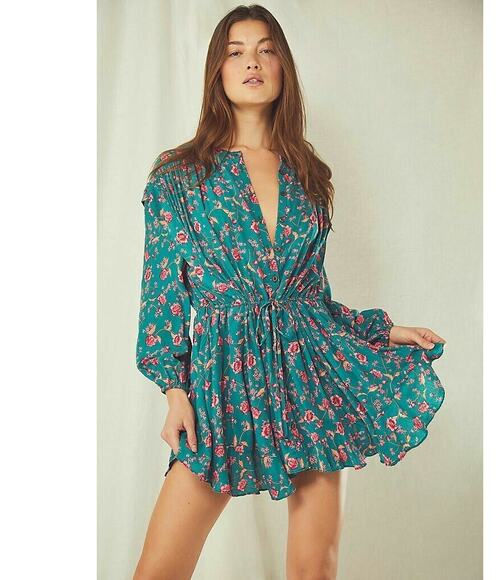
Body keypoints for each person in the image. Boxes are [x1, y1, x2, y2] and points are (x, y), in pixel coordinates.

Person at [133, 5, 446, 579]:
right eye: (236, 52)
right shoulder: (179, 175)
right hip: (221, 384)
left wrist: (384, 331)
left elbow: (311, 303)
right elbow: (162, 295)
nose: (252, 62)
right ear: (217, 71)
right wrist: (175, 391)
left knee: (314, 570)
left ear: (283, 68)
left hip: (310, 379)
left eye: (266, 49)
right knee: (158, 572)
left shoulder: (310, 176)